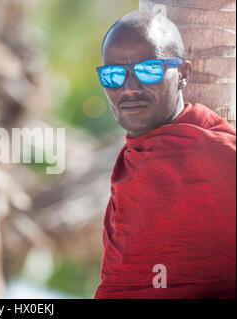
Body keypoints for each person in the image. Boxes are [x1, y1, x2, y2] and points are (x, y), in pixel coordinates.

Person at [94, 10, 236, 299]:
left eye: (148, 70)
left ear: (182, 74)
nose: (128, 88)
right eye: (113, 75)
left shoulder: (220, 158)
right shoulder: (129, 163)